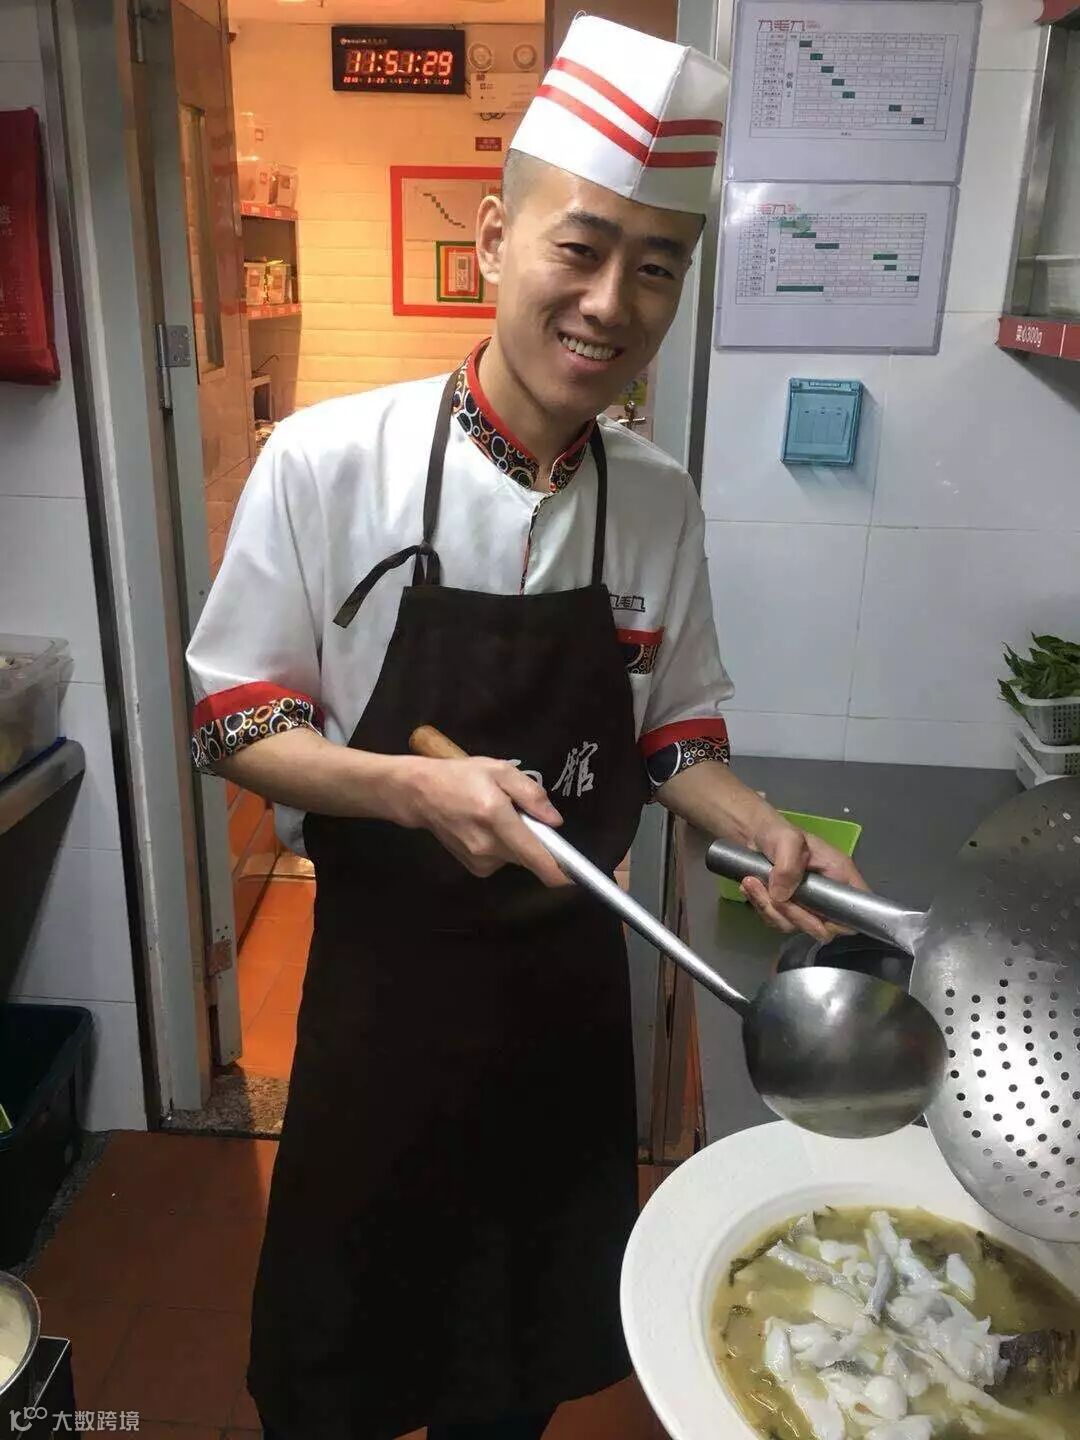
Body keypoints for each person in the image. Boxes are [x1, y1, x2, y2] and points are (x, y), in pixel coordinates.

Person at [186, 16, 865, 1439]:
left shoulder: (658, 499)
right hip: (383, 1005)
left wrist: (759, 827)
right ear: (496, 240)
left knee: (510, 1385)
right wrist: (411, 792)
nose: (611, 302)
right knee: (338, 1379)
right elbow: (236, 724)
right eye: (581, 247)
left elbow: (673, 733)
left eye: (657, 268)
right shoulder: (326, 461)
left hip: (565, 1011)